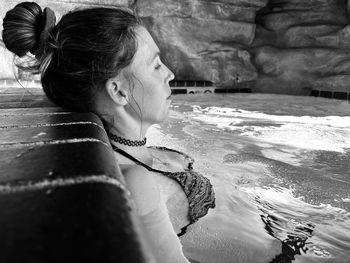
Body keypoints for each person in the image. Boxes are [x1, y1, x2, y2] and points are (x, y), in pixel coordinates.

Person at [2, 2, 216, 262]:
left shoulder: (132, 153)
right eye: (156, 65)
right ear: (119, 91)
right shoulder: (137, 183)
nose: (170, 74)